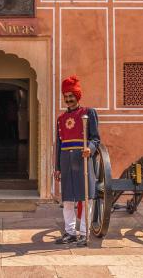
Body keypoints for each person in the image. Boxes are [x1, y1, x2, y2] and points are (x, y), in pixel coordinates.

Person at [54, 75, 100, 246]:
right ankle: (70, 232)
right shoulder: (60, 119)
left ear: (77, 96)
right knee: (67, 200)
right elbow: (58, 144)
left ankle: (84, 232)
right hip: (66, 161)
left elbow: (95, 138)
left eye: (71, 96)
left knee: (84, 198)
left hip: (83, 160)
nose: (68, 99)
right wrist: (57, 167)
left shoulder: (88, 113)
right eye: (66, 97)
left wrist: (90, 148)